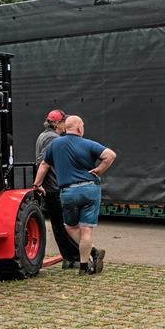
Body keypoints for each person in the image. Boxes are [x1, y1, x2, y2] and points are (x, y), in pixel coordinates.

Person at [33, 115, 116, 276]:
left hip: (68, 192)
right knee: (86, 230)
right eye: (83, 125)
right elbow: (110, 155)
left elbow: (44, 165)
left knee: (71, 227)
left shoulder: (55, 144)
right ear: (79, 128)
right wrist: (100, 170)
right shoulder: (88, 144)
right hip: (90, 190)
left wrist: (37, 184)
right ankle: (84, 266)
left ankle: (92, 251)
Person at [34, 109, 81, 269]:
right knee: (68, 224)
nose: (65, 126)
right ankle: (74, 256)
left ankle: (69, 258)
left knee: (58, 224)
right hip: (55, 187)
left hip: (50, 187)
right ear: (57, 124)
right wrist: (38, 182)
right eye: (63, 123)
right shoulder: (53, 139)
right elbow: (43, 161)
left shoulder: (43, 136)